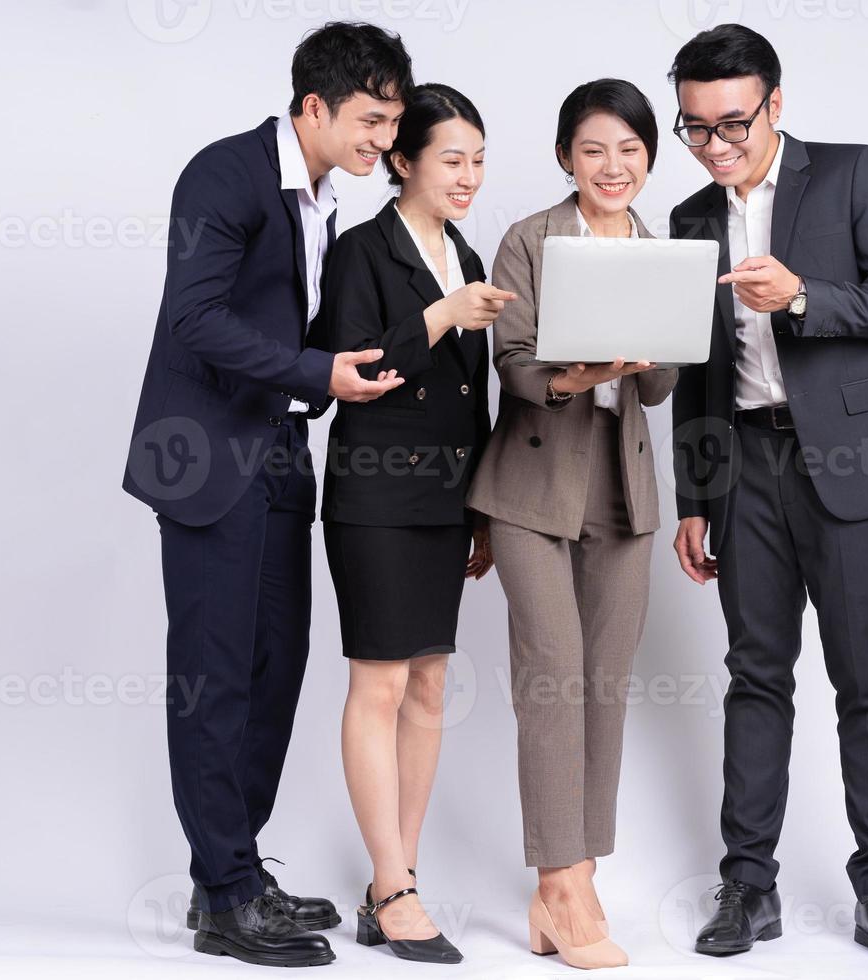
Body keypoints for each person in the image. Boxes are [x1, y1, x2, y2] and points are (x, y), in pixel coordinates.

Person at [120, 21, 413, 968]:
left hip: (284, 448)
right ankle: (222, 896)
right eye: (372, 121)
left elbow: (309, 321)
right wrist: (315, 370)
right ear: (314, 107)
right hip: (207, 455)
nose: (383, 141)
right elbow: (194, 316)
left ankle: (236, 872)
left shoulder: (323, 194)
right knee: (212, 674)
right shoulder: (227, 174)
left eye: (394, 122)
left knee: (276, 666)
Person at [665, 25, 868, 972]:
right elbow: (698, 371)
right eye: (695, 128)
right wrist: (693, 493)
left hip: (855, 462)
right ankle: (748, 886)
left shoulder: (855, 173)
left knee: (867, 679)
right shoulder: (691, 219)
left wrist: (802, 298)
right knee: (756, 675)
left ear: (775, 106)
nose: (715, 144)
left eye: (732, 123)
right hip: (743, 467)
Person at [466, 78, 677, 972]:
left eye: (629, 149)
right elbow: (511, 366)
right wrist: (582, 367)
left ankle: (577, 873)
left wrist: (648, 353)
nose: (613, 165)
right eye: (594, 149)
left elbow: (662, 387)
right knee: (551, 675)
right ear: (565, 158)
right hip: (528, 488)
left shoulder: (662, 249)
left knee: (604, 684)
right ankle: (560, 881)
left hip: (621, 493)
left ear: (647, 159)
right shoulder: (529, 239)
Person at [315, 82, 513, 965]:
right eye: (450, 160)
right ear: (403, 162)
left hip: (443, 500)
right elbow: (349, 365)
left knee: (430, 686)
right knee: (381, 686)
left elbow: (474, 400)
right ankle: (392, 888)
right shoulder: (362, 249)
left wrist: (479, 507)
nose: (469, 176)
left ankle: (396, 879)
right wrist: (439, 315)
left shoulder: (465, 250)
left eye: (477, 159)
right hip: (374, 497)